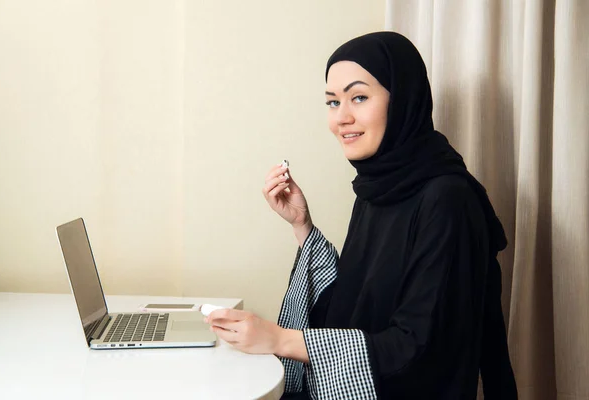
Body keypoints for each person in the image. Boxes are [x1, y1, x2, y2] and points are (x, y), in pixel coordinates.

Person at [203, 32, 518, 400]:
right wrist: (302, 225)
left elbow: (420, 347)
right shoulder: (378, 186)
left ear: (402, 100)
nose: (342, 118)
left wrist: (280, 339)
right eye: (332, 102)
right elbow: (356, 303)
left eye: (359, 97)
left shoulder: (447, 199)